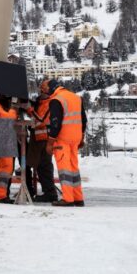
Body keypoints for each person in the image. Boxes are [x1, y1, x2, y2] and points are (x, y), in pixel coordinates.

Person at [42, 79, 87, 207]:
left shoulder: (57, 100)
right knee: (73, 168)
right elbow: (83, 120)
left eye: (44, 88)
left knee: (65, 169)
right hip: (75, 138)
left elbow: (55, 124)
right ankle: (78, 198)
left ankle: (68, 198)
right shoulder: (76, 98)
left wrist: (50, 142)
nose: (43, 91)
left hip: (62, 139)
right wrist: (82, 137)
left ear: (51, 87)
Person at [25, 81, 58, 203]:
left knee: (44, 166)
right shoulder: (40, 102)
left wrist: (28, 109)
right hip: (39, 138)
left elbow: (41, 120)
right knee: (39, 165)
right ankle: (48, 191)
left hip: (45, 139)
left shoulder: (50, 103)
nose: (41, 93)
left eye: (43, 90)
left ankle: (50, 192)